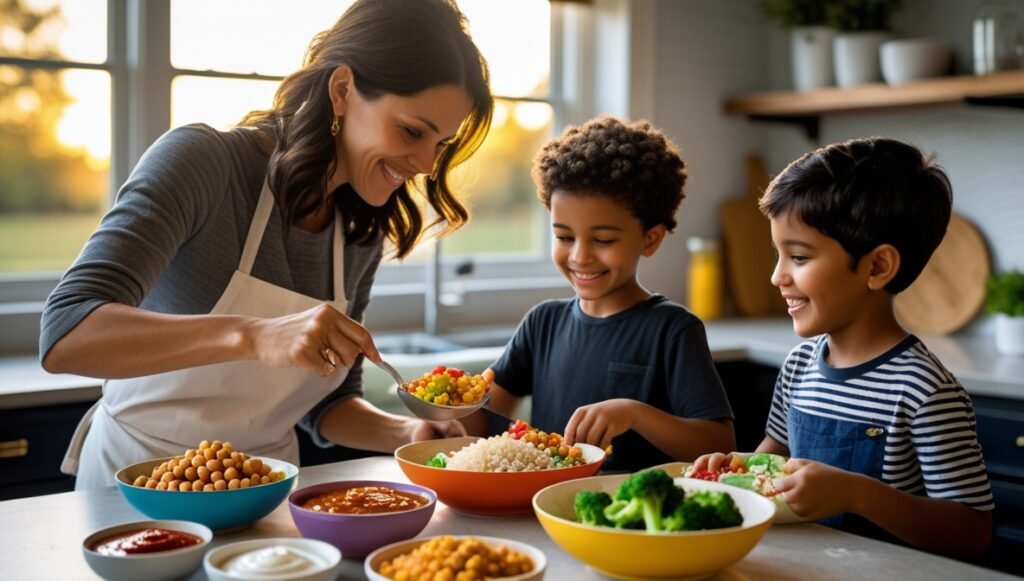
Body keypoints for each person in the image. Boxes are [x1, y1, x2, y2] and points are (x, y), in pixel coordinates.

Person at [40, 0, 493, 489]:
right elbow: (66, 334)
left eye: (441, 144)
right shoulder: (204, 164)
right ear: (342, 90)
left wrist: (409, 430)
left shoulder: (361, 229)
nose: (426, 164)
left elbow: (327, 402)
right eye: (411, 131)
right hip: (137, 489)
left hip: (268, 497)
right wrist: (255, 335)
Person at [691, 137, 994, 557]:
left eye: (798, 257)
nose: (777, 276)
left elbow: (971, 531)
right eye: (778, 254)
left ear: (877, 267)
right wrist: (733, 467)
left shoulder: (924, 391)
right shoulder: (798, 366)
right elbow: (771, 459)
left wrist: (857, 495)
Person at [468, 116, 736, 473]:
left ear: (650, 239)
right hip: (547, 513)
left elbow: (719, 445)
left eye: (603, 240)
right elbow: (481, 419)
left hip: (629, 522)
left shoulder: (672, 329)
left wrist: (635, 413)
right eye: (564, 237)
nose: (579, 255)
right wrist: (449, 407)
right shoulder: (542, 323)